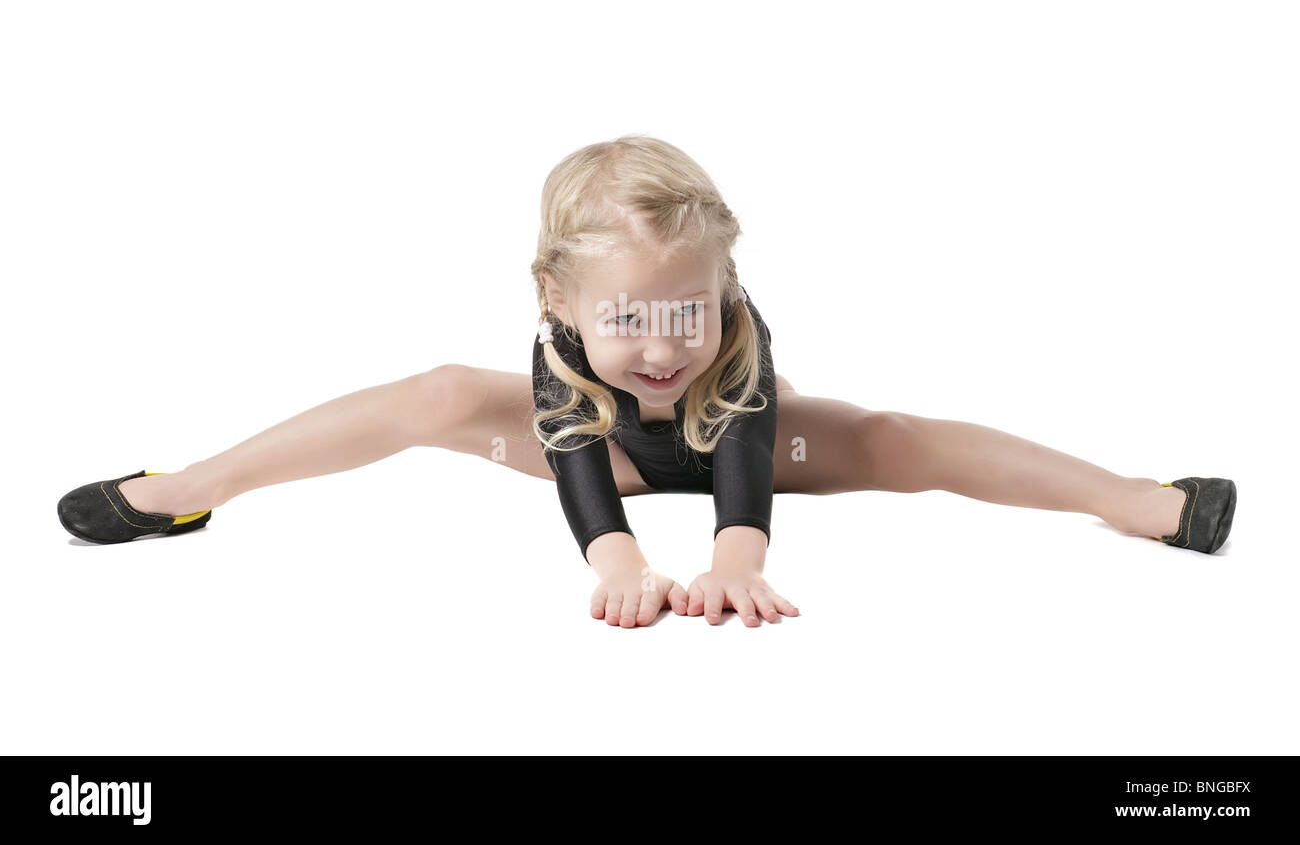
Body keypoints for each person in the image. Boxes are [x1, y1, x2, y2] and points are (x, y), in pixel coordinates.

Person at [57, 135, 1237, 628]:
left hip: (755, 448)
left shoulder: (735, 337)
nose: (665, 344)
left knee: (891, 435)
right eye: (627, 318)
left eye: (692, 309)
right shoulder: (559, 352)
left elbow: (745, 442)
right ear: (556, 297)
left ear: (726, 286)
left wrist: (736, 557)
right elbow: (573, 448)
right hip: (606, 457)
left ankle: (1137, 497)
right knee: (437, 392)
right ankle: (189, 487)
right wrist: (616, 560)